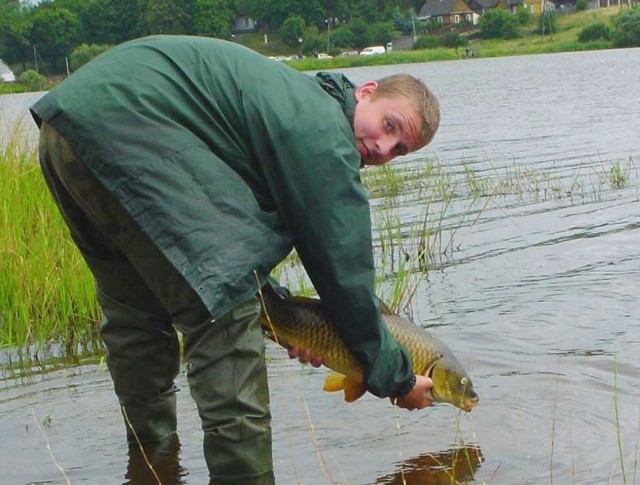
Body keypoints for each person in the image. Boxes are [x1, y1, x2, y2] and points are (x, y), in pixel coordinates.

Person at [30, 35, 440, 484]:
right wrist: (397, 379)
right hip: (133, 127)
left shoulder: (288, 107)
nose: (385, 147)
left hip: (67, 127)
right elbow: (343, 274)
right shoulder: (323, 130)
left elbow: (219, 242)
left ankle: (151, 464)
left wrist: (276, 308)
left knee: (136, 315)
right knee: (225, 322)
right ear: (365, 91)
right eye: (389, 125)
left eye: (400, 148)